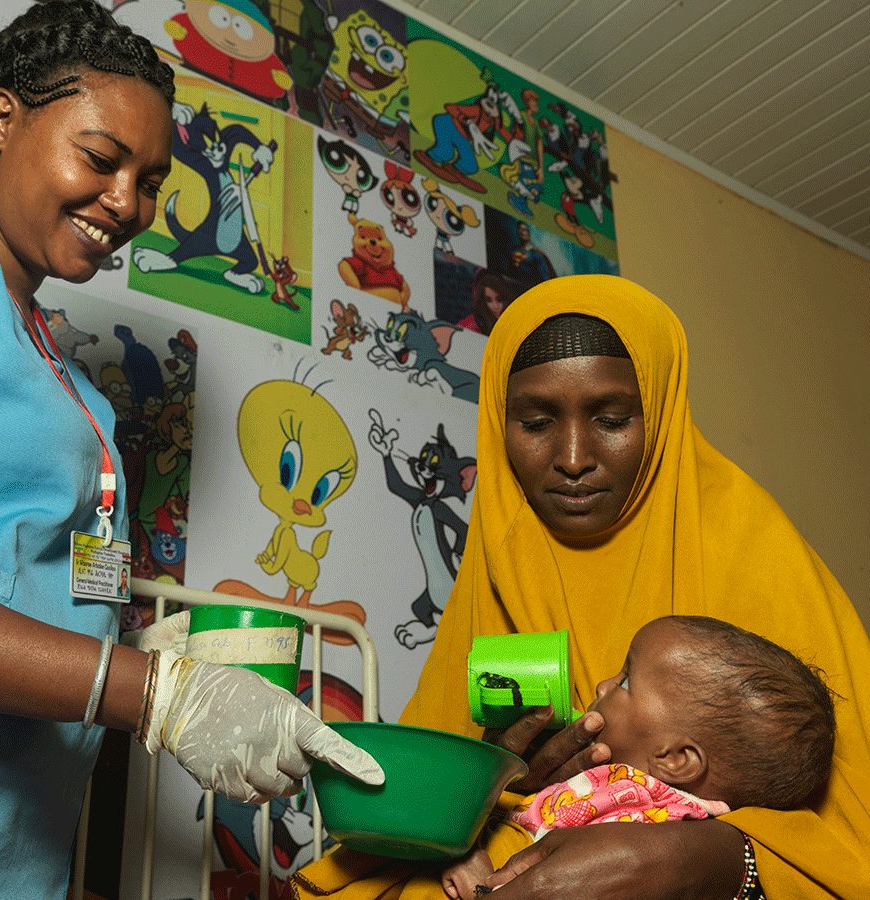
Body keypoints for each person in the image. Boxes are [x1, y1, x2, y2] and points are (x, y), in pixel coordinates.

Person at [0, 3, 380, 897]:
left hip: (17, 855)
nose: (127, 204)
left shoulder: (77, 387)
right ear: (3, 121)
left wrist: (126, 632)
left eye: (150, 180)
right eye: (101, 159)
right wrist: (152, 691)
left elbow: (17, 562)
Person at [292, 275, 870, 898]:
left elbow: (848, 840)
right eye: (537, 422)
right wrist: (494, 784)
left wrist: (701, 859)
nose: (572, 456)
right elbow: (412, 827)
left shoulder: (755, 548)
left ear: (662, 410)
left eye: (613, 419)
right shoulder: (501, 558)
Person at [441, 614, 836, 899]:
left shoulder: (635, 816)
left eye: (625, 681)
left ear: (677, 759)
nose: (602, 683)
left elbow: (546, 882)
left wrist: (481, 875)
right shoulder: (623, 791)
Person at [458, 271, 520, 336]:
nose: (495, 306)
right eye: (489, 300)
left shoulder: (515, 320)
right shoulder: (470, 325)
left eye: (499, 300)